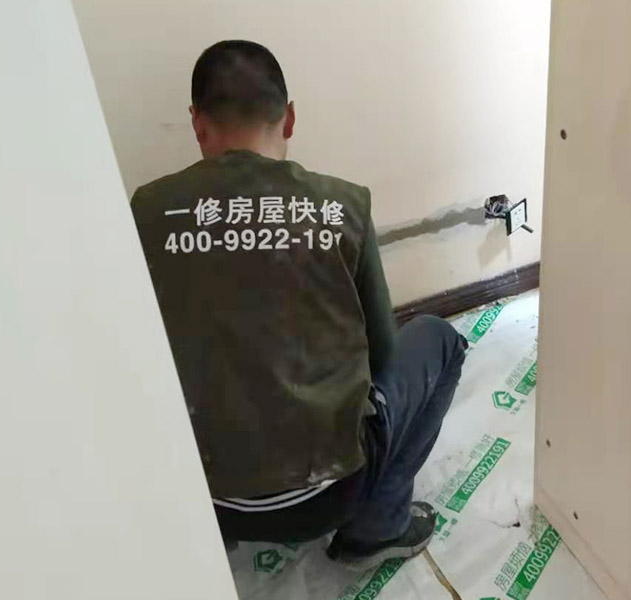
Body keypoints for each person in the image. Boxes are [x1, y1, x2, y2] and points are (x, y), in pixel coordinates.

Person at [131, 40, 467, 569]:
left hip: (203, 501)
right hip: (330, 493)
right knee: (439, 339)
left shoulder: (149, 212)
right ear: (288, 119)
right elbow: (382, 355)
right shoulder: (340, 206)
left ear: (197, 124)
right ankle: (377, 529)